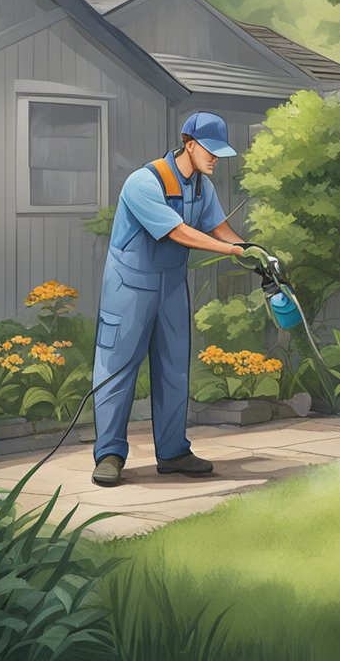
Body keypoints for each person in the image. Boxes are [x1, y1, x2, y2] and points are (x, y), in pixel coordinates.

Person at [90, 112, 272, 487]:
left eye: (220, 154)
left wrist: (253, 251)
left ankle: (173, 452)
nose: (215, 159)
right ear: (189, 144)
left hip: (172, 284)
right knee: (117, 368)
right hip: (130, 286)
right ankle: (109, 453)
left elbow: (219, 228)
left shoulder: (202, 187)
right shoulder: (143, 182)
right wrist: (230, 253)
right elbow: (179, 233)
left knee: (174, 367)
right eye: (210, 150)